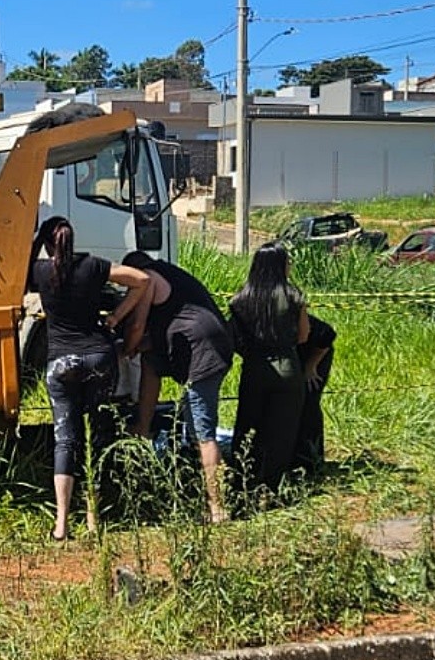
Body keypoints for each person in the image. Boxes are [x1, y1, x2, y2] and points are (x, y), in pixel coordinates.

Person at [31, 216, 150, 541]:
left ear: (47, 243)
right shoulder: (93, 265)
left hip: (61, 363)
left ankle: (61, 525)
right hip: (98, 358)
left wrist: (34, 247)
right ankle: (94, 519)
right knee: (98, 434)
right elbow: (141, 280)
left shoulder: (40, 272)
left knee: (66, 439)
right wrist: (116, 316)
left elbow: (17, 275)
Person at [121, 250, 235, 524]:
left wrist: (125, 349)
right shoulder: (171, 275)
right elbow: (154, 346)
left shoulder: (147, 279)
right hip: (211, 342)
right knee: (152, 362)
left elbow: (137, 326)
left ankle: (217, 507)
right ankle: (143, 427)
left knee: (201, 431)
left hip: (203, 351)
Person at [227, 242, 311, 500]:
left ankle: (240, 483)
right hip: (287, 368)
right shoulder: (293, 296)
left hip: (254, 369)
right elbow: (304, 335)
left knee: (247, 425)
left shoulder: (240, 299)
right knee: (281, 431)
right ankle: (271, 488)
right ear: (280, 265)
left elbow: (234, 339)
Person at [292, 312, 337, 478]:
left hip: (316, 352)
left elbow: (327, 334)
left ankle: (312, 461)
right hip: (292, 355)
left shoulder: (294, 316)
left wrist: (311, 366)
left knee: (308, 402)